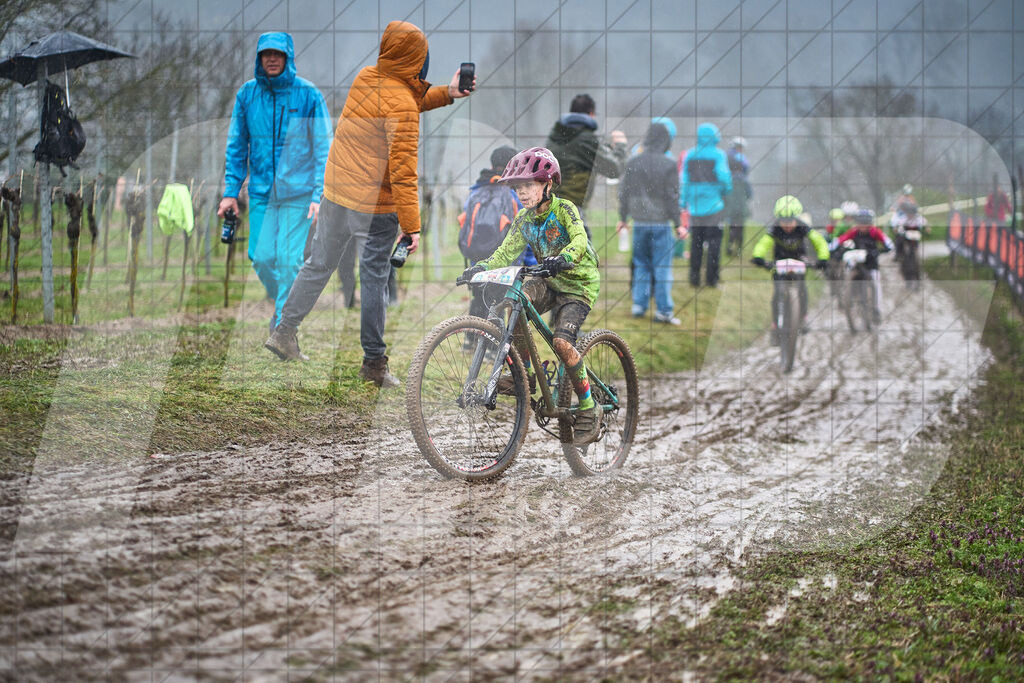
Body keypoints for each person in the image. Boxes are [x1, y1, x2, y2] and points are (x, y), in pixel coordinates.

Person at [265, 20, 474, 386]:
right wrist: (411, 227)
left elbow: (402, 100)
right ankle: (374, 364)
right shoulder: (402, 106)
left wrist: (448, 92)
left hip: (336, 193)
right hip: (374, 207)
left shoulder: (366, 78)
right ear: (416, 59)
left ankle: (283, 333)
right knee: (375, 278)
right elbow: (404, 173)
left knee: (318, 264)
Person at [460, 147, 602, 445]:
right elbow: (505, 252)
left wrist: (565, 257)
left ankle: (589, 407)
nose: (522, 193)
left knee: (562, 343)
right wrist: (480, 267)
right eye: (517, 188)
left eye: (528, 185)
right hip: (548, 279)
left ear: (547, 184)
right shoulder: (523, 219)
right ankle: (525, 374)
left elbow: (579, 239)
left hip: (578, 285)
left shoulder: (564, 210)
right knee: (516, 302)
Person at [218, 32, 332, 333]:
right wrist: (230, 193)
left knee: (289, 260)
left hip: (299, 193)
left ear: (287, 57)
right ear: (259, 58)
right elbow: (236, 146)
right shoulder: (247, 95)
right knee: (261, 256)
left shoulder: (308, 95)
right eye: (266, 54)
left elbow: (324, 148)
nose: (271, 59)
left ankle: (282, 328)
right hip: (261, 193)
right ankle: (283, 299)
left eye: (277, 54)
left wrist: (319, 195)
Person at [616, 122, 682, 325]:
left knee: (641, 264)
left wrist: (623, 217)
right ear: (666, 141)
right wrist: (678, 223)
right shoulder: (669, 164)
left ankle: (639, 305)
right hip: (661, 223)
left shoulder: (634, 161)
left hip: (639, 222)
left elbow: (624, 192)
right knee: (662, 267)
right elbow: (672, 196)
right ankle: (664, 310)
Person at [459, 145, 527, 325]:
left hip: (477, 259)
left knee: (478, 298)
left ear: (492, 164)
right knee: (497, 303)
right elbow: (523, 230)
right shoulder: (513, 193)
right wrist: (528, 262)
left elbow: (466, 223)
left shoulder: (476, 190)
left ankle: (471, 337)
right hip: (503, 262)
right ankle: (494, 340)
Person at [751, 195, 830, 342]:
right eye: (784, 222)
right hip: (779, 261)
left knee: (802, 289)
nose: (787, 225)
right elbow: (764, 243)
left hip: (799, 260)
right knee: (777, 293)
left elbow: (819, 241)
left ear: (797, 218)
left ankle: (803, 318)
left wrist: (823, 258)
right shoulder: (775, 228)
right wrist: (758, 257)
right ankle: (775, 325)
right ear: (778, 219)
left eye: (791, 221)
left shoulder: (803, 227)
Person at [545, 93, 628, 232]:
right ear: (591, 114)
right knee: (582, 245)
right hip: (572, 209)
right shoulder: (586, 139)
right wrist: (620, 145)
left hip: (549, 207)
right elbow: (614, 169)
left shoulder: (555, 136)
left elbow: (576, 155)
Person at [680, 122, 732, 288]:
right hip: (714, 206)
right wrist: (725, 190)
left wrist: (683, 202)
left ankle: (694, 278)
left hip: (695, 207)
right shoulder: (718, 155)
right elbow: (723, 176)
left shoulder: (690, 154)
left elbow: (684, 180)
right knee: (714, 243)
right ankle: (711, 279)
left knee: (696, 243)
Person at [832, 208, 894, 323]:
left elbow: (887, 241)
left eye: (866, 224)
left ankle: (877, 309)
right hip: (858, 261)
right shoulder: (854, 231)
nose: (863, 227)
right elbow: (841, 239)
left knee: (876, 282)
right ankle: (849, 296)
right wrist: (832, 248)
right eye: (861, 224)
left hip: (871, 262)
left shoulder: (874, 232)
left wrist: (888, 247)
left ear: (870, 224)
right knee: (848, 271)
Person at [723, 136, 752, 256]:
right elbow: (749, 194)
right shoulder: (744, 181)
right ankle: (738, 248)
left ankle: (730, 246)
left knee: (732, 226)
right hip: (741, 207)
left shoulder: (728, 179)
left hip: (731, 207)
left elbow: (724, 193)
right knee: (739, 227)